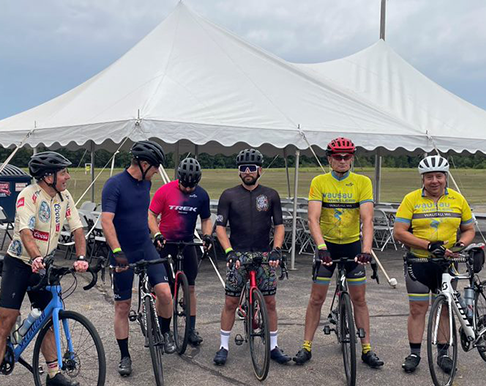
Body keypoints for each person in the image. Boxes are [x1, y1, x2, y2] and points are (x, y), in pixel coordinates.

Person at [0, 151, 89, 386]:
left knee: (48, 319)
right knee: (6, 321)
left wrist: (82, 256)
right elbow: (26, 232)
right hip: (20, 262)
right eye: (63, 172)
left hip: (45, 264)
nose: (67, 176)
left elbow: (77, 228)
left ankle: (53, 373)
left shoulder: (64, 197)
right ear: (47, 176)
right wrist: (34, 257)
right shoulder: (28, 196)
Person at [292, 137, 384, 368]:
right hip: (328, 246)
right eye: (337, 157)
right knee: (316, 299)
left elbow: (367, 219)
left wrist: (366, 250)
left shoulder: (362, 182)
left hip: (353, 246)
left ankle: (366, 349)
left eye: (347, 157)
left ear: (352, 158)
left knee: (359, 299)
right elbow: (312, 218)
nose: (342, 161)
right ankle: (306, 346)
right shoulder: (320, 181)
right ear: (329, 159)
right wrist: (321, 248)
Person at [393, 155, 475, 374]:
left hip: (447, 264)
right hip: (418, 263)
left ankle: (443, 354)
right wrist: (428, 245)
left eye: (439, 176)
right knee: (417, 309)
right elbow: (399, 232)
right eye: (429, 177)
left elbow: (469, 229)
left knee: (446, 309)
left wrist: (460, 245)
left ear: (446, 177)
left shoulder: (458, 199)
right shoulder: (411, 199)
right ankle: (414, 353)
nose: (434, 181)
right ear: (423, 179)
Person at [101, 140, 176, 378]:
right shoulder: (114, 185)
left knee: (165, 293)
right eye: (155, 167)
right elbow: (106, 221)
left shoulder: (146, 184)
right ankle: (125, 356)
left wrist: (154, 234)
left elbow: (144, 214)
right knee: (123, 306)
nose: (156, 171)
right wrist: (116, 252)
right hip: (122, 251)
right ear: (143, 164)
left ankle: (164, 332)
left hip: (144, 245)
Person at [213, 148, 290, 366]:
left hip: (264, 254)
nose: (247, 172)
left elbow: (279, 226)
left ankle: (273, 346)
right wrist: (228, 251)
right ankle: (223, 346)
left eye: (252, 168)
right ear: (239, 172)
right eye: (243, 169)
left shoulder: (271, 195)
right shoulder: (229, 195)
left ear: (260, 170)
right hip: (238, 254)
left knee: (270, 302)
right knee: (230, 301)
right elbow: (220, 227)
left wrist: (276, 249)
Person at [149, 157, 215, 347]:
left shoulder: (201, 195)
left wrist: (207, 235)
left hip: (187, 243)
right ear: (179, 179)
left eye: (191, 185)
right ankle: (164, 330)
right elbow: (151, 214)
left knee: (191, 288)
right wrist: (156, 234)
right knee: (166, 291)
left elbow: (206, 219)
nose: (187, 189)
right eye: (185, 185)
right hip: (165, 242)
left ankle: (191, 329)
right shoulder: (165, 191)